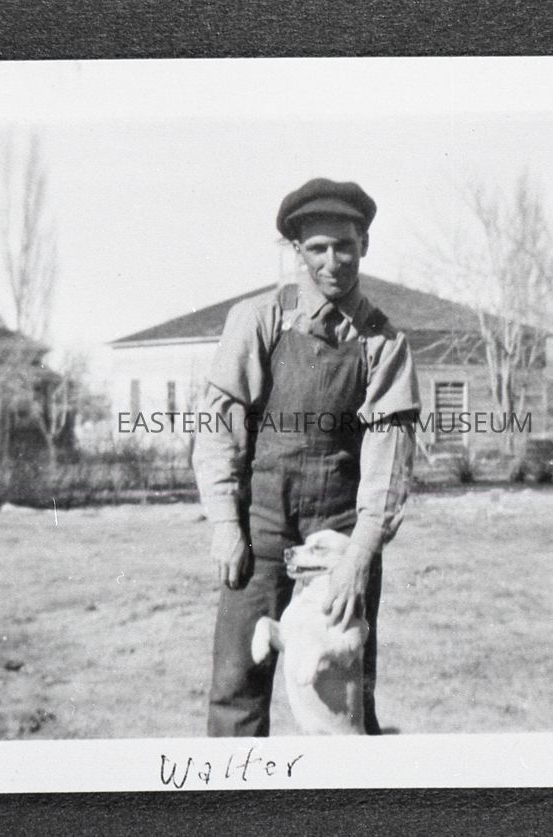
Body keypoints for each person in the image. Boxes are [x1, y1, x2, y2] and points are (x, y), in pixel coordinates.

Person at [193, 177, 421, 736]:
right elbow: (219, 427)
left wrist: (358, 558)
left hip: (340, 530)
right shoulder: (259, 319)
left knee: (344, 685)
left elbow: (389, 463)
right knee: (237, 686)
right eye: (317, 248)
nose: (332, 261)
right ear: (297, 251)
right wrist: (225, 524)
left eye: (345, 245)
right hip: (262, 521)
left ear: (364, 244)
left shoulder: (383, 343)